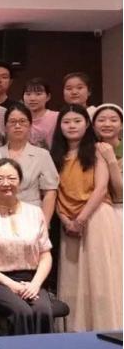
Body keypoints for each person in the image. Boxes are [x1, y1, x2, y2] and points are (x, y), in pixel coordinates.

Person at [51, 105, 122, 331]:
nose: (71, 126)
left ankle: (105, 328)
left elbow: (101, 188)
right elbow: (53, 193)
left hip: (96, 217)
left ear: (87, 125)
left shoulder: (98, 150)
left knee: (99, 276)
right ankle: (76, 330)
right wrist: (66, 220)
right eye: (66, 122)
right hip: (68, 223)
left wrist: (80, 220)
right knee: (73, 278)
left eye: (77, 121)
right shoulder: (56, 156)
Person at [0, 158, 54, 335]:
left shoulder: (35, 212)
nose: (5, 183)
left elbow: (45, 254)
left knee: (43, 311)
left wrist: (35, 284)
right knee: (20, 311)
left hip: (31, 278)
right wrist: (11, 284)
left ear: (20, 181)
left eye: (11, 178)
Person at [0, 104, 59, 224]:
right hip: (0, 216)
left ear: (30, 125)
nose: (17, 126)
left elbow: (50, 192)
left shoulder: (42, 155)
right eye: (12, 122)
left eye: (22, 121)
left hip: (31, 217)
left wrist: (45, 223)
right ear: (5, 126)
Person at [92, 104, 123, 219]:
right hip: (96, 212)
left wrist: (111, 160)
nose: (107, 124)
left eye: (113, 120)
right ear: (93, 126)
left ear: (121, 125)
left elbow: (120, 194)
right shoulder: (89, 151)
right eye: (101, 120)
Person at [23, 78, 59, 149]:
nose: (32, 98)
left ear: (48, 97)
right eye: (28, 94)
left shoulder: (57, 117)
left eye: (38, 94)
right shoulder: (19, 119)